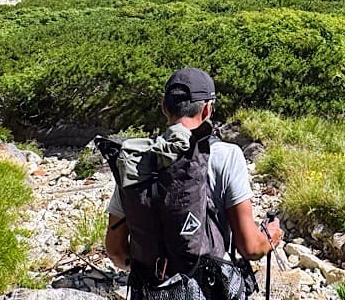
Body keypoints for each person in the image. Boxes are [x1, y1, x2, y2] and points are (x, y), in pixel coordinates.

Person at [104, 67, 283, 273]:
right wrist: (271, 236)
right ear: (207, 109)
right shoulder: (227, 156)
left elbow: (116, 250)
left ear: (164, 107)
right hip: (210, 288)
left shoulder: (136, 158)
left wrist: (151, 276)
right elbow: (251, 248)